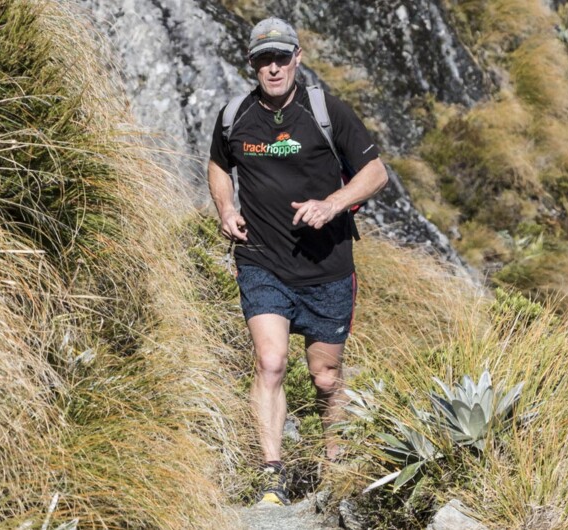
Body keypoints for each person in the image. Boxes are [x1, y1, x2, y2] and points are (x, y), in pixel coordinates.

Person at [207, 17, 388, 506]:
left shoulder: (326, 111)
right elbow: (219, 167)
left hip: (327, 266)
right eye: (263, 60)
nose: (273, 68)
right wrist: (226, 208)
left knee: (325, 377)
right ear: (252, 64)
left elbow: (376, 172)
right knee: (270, 362)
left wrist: (332, 203)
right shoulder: (233, 117)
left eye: (281, 57)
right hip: (261, 260)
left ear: (298, 58)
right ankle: (272, 472)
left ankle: (335, 466)